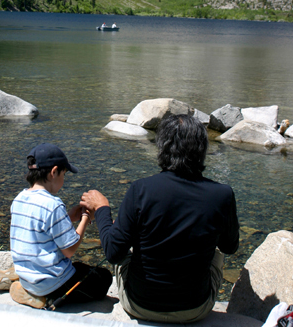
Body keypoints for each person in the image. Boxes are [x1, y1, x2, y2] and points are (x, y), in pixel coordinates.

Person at [80, 114, 239, 323]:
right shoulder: (222, 195)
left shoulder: (140, 190)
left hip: (139, 305)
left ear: (162, 147)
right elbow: (229, 247)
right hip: (195, 309)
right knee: (217, 253)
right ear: (202, 149)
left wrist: (102, 209)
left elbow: (113, 253)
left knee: (126, 248)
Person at [0, 143, 112, 309]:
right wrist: (85, 217)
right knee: (104, 277)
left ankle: (22, 281)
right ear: (54, 172)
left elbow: (38, 229)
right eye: (64, 174)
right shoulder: (53, 205)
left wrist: (68, 218)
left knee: (79, 268)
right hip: (52, 284)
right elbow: (69, 250)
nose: (63, 179)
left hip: (26, 273)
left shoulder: (19, 198)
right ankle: (42, 297)